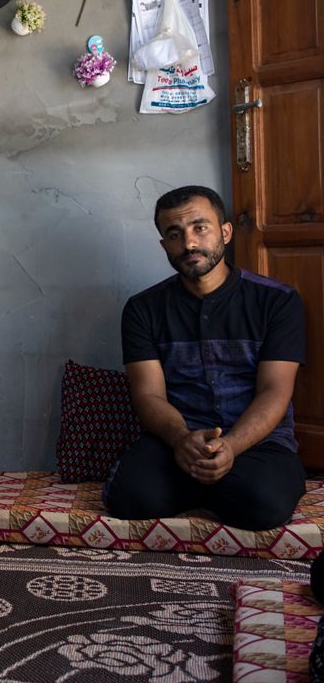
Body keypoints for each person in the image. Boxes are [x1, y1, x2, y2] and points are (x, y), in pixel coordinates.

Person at [104, 185, 307, 530]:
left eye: (200, 228)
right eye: (174, 234)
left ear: (225, 232)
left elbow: (275, 390)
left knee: (264, 506)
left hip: (258, 443)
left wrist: (231, 445)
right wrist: (181, 438)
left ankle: (211, 488)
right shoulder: (143, 309)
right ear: (163, 245)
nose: (189, 244)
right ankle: (210, 487)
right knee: (129, 499)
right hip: (177, 442)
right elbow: (148, 395)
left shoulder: (278, 302)